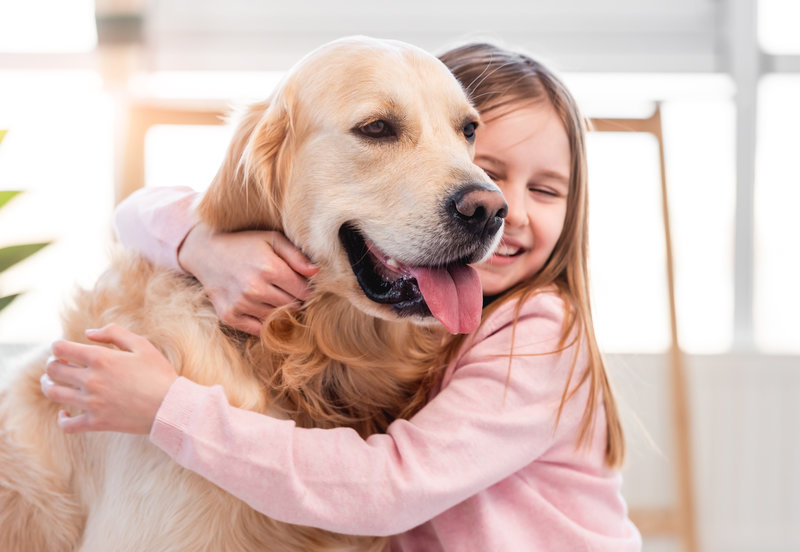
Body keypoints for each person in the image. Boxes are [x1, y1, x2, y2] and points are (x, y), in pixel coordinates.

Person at [42, 42, 642, 550]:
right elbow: (142, 210)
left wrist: (166, 408)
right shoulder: (417, 301)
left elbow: (386, 488)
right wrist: (203, 244)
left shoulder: (534, 334)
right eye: (380, 129)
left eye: (462, 135)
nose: (489, 199)